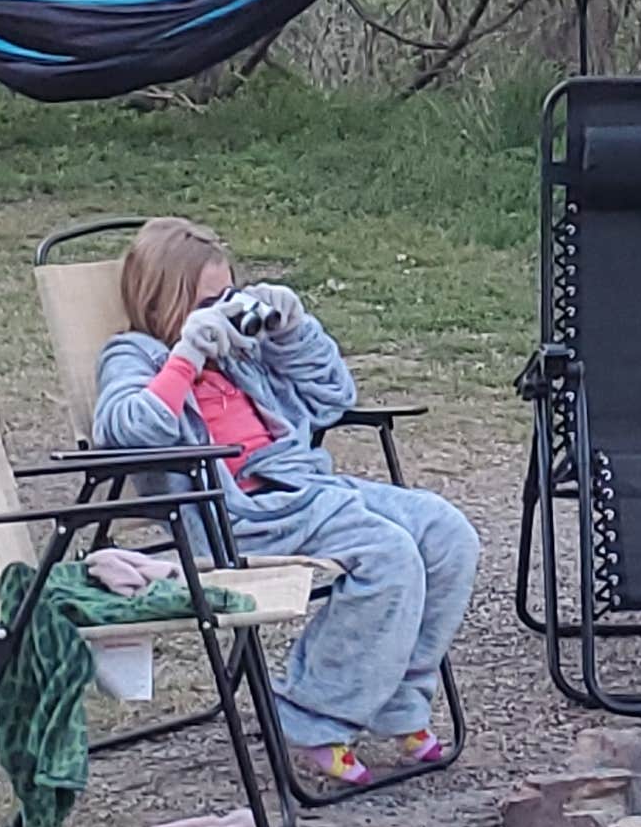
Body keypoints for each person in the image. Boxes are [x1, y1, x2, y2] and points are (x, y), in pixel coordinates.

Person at [91, 217, 477, 787]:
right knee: (387, 554)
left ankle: (399, 699)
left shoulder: (240, 353)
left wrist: (293, 329)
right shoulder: (134, 357)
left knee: (448, 535)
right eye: (209, 302)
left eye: (230, 296)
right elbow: (125, 431)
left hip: (304, 489)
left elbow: (332, 397)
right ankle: (314, 717)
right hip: (239, 514)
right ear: (168, 300)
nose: (225, 311)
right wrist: (187, 356)